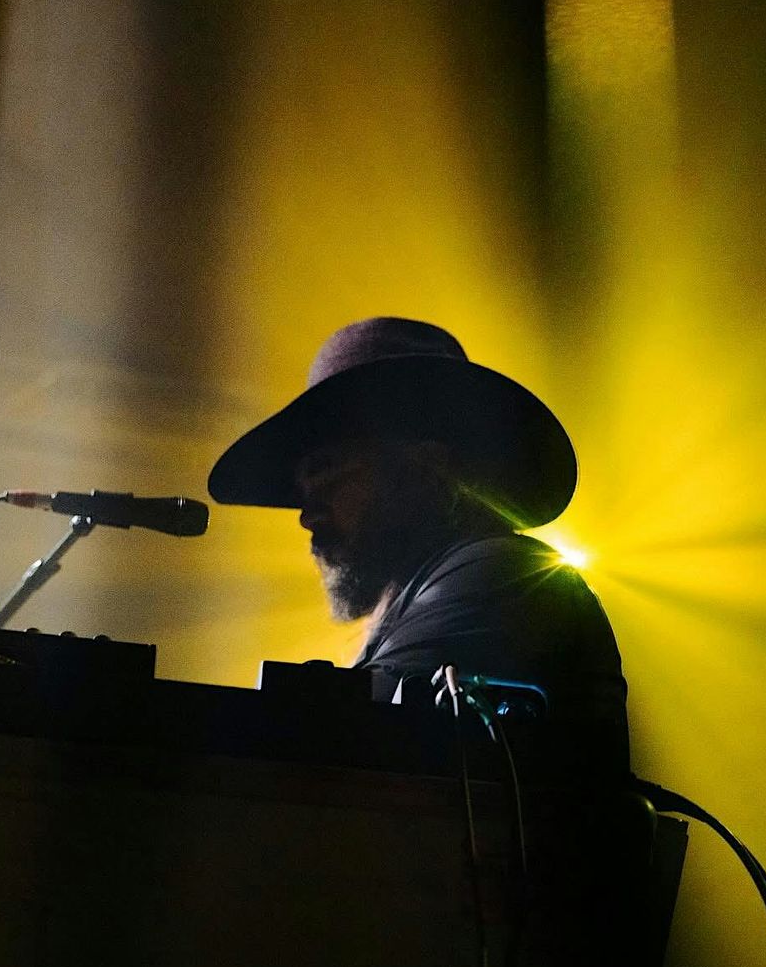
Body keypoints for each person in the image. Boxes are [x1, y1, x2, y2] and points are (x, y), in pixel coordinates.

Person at [207, 316, 628, 776]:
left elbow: (346, 746)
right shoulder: (430, 595)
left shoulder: (506, 574)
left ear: (427, 467)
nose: (308, 517)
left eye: (327, 471)